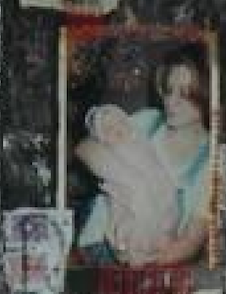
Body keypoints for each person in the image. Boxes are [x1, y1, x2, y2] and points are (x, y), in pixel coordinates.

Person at [72, 53, 213, 266]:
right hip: (95, 239)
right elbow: (85, 148)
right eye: (168, 90)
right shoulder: (149, 121)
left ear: (207, 95)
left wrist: (139, 261)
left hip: (146, 257)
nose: (171, 102)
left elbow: (191, 241)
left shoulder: (211, 160)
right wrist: (134, 182)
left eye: (184, 94)